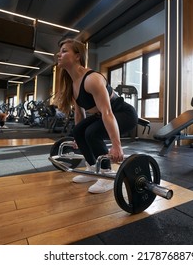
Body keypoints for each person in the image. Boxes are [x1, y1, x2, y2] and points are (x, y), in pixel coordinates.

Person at [54, 38, 138, 193]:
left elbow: (107, 112)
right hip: (104, 115)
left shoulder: (92, 79)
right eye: (59, 51)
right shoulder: (72, 85)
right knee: (80, 131)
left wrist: (116, 145)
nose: (59, 55)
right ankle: (93, 169)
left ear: (77, 56)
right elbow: (79, 113)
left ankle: (107, 175)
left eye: (64, 51)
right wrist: (77, 137)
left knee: (92, 133)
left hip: (123, 114)